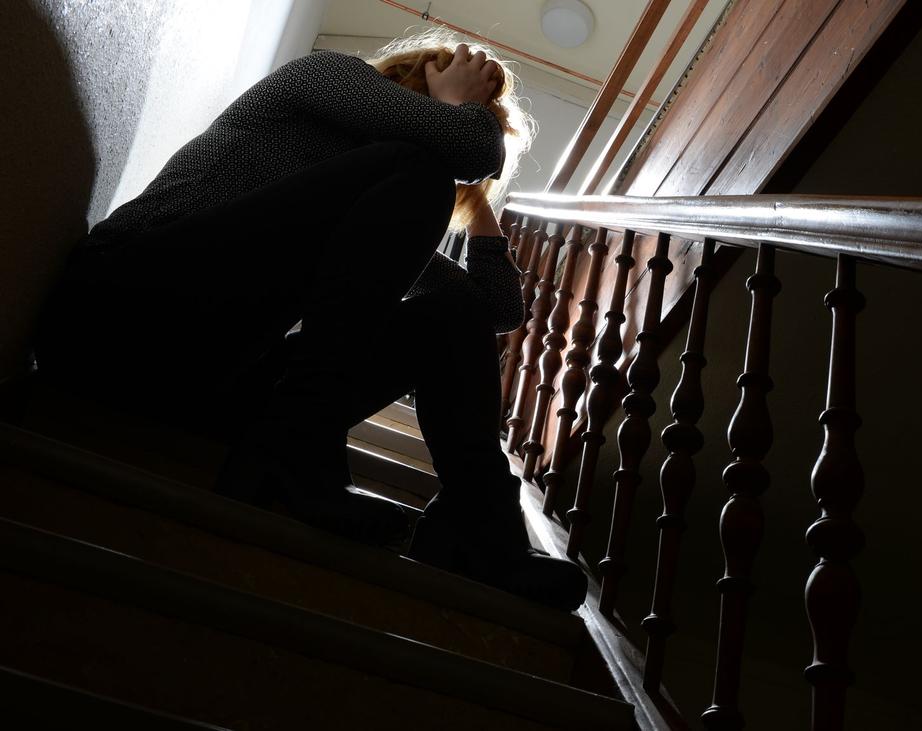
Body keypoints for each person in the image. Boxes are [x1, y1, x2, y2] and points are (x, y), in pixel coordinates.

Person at [33, 30, 586, 610]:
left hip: (200, 381)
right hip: (114, 315)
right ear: (417, 84)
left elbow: (492, 310)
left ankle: (482, 529)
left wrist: (478, 210)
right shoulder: (323, 79)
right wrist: (457, 127)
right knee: (417, 171)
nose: (466, 140)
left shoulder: (381, 210)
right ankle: (298, 443)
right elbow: (465, 148)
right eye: (462, 108)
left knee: (451, 310)